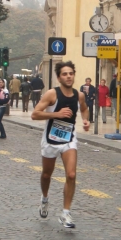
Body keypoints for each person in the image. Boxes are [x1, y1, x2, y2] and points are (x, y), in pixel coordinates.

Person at [31, 61, 89, 228]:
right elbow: (35, 114)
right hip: (50, 139)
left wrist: (86, 120)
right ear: (59, 78)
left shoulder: (79, 95)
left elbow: (84, 108)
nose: (68, 76)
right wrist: (57, 114)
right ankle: (44, 198)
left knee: (71, 175)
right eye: (64, 74)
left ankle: (65, 213)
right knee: (46, 175)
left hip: (69, 139)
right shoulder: (51, 94)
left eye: (71, 73)